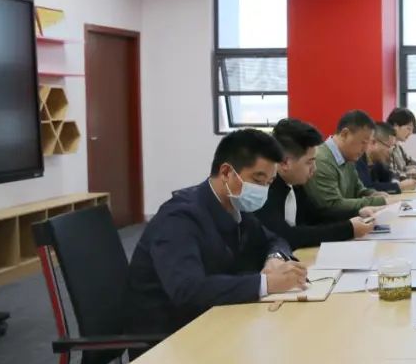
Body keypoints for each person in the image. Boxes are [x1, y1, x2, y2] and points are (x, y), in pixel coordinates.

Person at [125, 130, 306, 336]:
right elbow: (188, 290)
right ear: (227, 172)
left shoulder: (235, 206)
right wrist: (266, 283)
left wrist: (275, 258)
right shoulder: (179, 218)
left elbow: (275, 239)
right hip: (168, 335)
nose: (263, 189)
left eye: (269, 183)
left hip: (215, 318)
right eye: (258, 179)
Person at [256, 118, 376, 249]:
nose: (314, 168)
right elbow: (288, 236)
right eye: (309, 162)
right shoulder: (265, 189)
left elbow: (316, 216)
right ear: (285, 163)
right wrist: (348, 229)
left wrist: (358, 213)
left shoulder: (294, 185)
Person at [305, 110, 390, 216]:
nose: (365, 149)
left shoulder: (348, 157)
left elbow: (358, 190)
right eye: (363, 142)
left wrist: (373, 194)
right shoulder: (321, 160)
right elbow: (332, 205)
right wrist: (381, 201)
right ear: (345, 134)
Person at [357, 123, 416, 194]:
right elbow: (366, 188)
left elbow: (389, 177)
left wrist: (397, 182)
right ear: (373, 142)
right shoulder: (357, 159)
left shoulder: (377, 162)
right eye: (389, 147)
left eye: (393, 147)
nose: (391, 152)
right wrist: (399, 186)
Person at [386, 107, 416, 182]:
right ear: (395, 126)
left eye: (412, 130)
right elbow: (391, 177)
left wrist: (411, 171)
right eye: (408, 129)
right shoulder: (385, 148)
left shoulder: (398, 147)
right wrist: (415, 176)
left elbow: (413, 163)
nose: (410, 133)